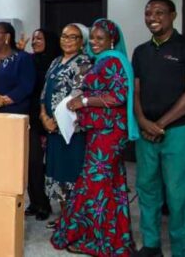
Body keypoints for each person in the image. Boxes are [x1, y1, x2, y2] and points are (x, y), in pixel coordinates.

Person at [51, 19, 140, 256]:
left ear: (113, 39)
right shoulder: (102, 60)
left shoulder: (112, 60)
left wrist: (85, 102)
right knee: (110, 185)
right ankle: (113, 236)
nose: (94, 42)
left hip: (109, 133)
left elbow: (118, 96)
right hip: (101, 130)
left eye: (100, 38)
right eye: (92, 38)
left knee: (97, 185)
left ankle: (103, 241)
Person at [132, 0, 185, 257]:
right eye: (148, 12)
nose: (153, 17)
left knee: (179, 195)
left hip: (181, 131)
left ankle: (180, 250)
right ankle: (151, 246)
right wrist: (142, 121)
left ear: (173, 15)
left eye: (160, 12)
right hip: (146, 132)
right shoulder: (141, 51)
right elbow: (137, 91)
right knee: (147, 189)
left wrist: (160, 124)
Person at [39, 24, 91, 227]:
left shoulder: (84, 63)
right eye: (64, 36)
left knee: (71, 174)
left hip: (71, 130)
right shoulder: (55, 61)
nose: (67, 40)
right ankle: (64, 217)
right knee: (57, 173)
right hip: (52, 128)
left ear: (82, 42)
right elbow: (45, 92)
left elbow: (78, 96)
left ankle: (75, 222)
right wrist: (44, 116)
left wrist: (58, 123)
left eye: (73, 37)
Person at [23, 28, 60, 222]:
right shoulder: (28, 60)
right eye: (34, 38)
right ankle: (37, 202)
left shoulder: (56, 63)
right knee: (32, 163)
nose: (35, 41)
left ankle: (48, 204)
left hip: (51, 120)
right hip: (31, 118)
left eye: (40, 38)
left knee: (50, 165)